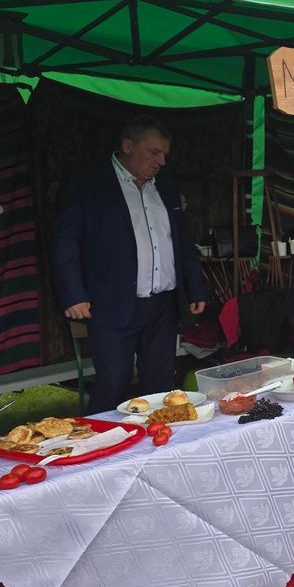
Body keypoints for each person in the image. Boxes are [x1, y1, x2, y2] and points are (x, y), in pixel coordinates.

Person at [54, 116, 206, 413]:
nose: (161, 161)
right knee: (114, 381)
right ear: (127, 146)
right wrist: (73, 293)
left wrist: (195, 286)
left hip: (162, 305)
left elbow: (181, 240)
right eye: (154, 152)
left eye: (164, 154)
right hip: (112, 301)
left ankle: (159, 439)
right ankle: (101, 439)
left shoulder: (165, 186)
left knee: (160, 383)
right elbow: (66, 240)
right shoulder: (89, 183)